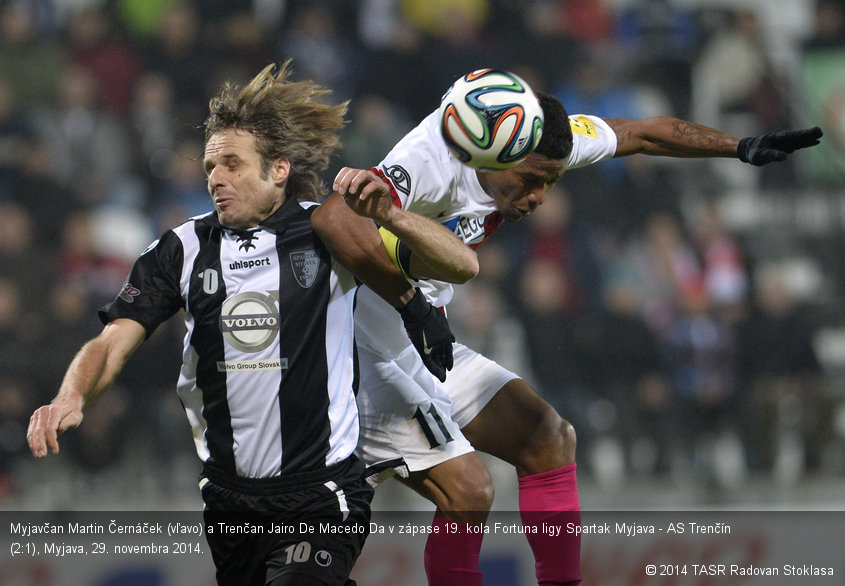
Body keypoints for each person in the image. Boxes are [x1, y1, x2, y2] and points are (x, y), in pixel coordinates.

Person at [316, 83, 823, 586]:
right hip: (363, 354)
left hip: (418, 345)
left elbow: (642, 134)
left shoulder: (538, 142)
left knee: (548, 437)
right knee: (468, 492)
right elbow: (334, 218)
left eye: (552, 182)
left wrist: (737, 147)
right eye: (532, 180)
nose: (539, 197)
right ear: (493, 157)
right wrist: (411, 305)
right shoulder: (433, 157)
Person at [26, 62, 477, 586]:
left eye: (233, 164)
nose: (216, 178)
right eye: (210, 166)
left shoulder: (326, 229)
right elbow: (112, 341)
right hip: (229, 501)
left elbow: (461, 265)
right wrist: (72, 396)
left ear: (278, 169)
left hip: (320, 491)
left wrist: (394, 217)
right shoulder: (181, 248)